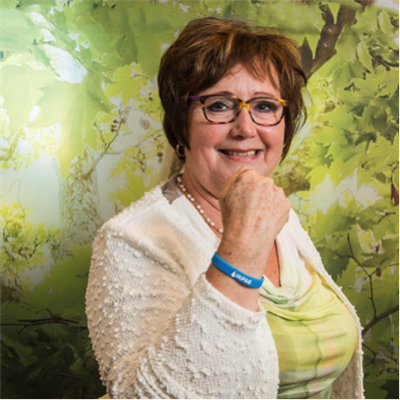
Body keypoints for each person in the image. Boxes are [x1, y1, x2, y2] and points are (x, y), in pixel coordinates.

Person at [86, 17, 364, 400]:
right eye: (219, 105)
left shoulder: (277, 212)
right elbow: (145, 396)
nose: (245, 128)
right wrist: (242, 248)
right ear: (181, 125)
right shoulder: (129, 240)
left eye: (264, 106)